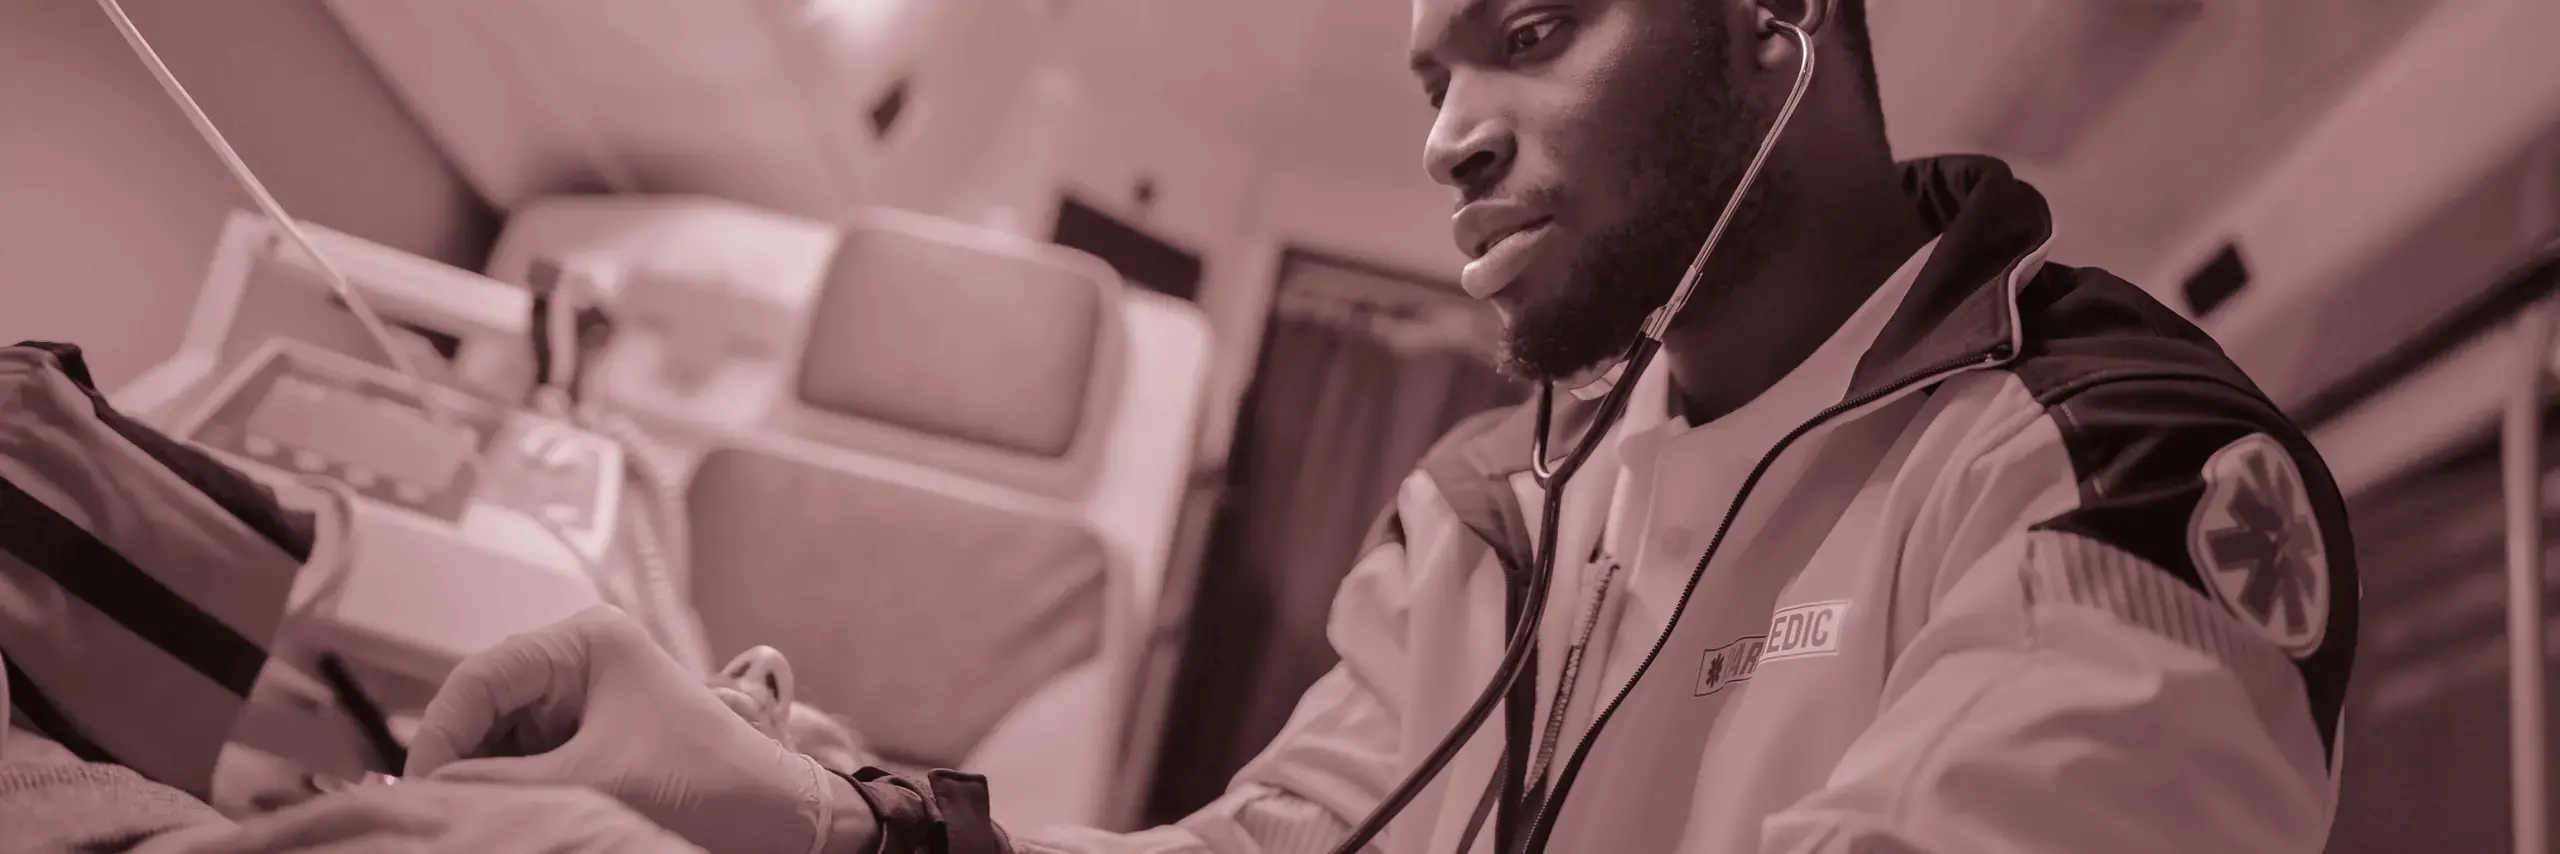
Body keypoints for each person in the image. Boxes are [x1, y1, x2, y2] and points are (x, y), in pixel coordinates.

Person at [396, 0, 2361, 852]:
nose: (1441, 137)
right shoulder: (1484, 504)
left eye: (1524, 36)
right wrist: (813, 812)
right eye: (1429, 75)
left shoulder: (2115, 466)